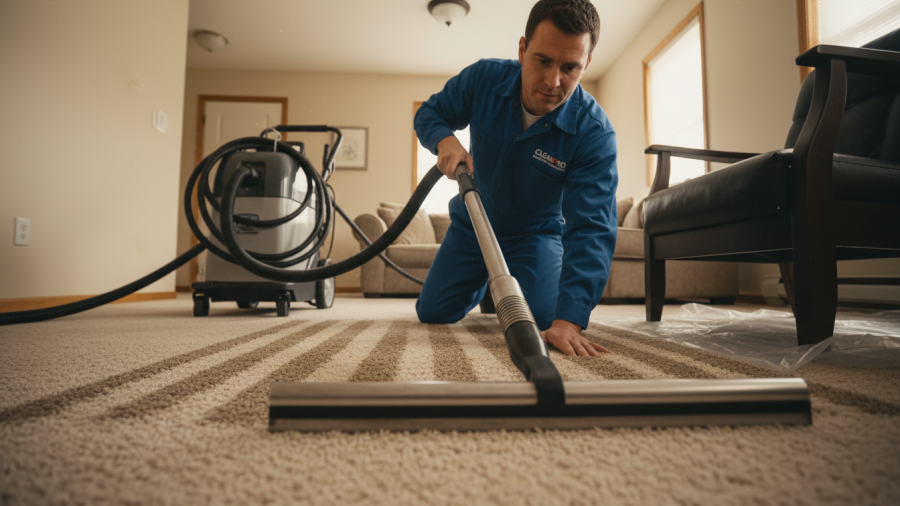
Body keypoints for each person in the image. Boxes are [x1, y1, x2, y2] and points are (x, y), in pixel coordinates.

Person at [414, 0, 617, 357]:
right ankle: (489, 289)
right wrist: (445, 140)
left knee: (543, 316)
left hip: (534, 235)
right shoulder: (484, 78)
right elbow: (431, 112)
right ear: (523, 50)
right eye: (543, 61)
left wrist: (570, 320)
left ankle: (507, 290)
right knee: (433, 313)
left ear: (586, 64)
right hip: (473, 226)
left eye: (570, 67)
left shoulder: (593, 133)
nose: (554, 81)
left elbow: (592, 228)